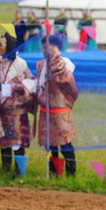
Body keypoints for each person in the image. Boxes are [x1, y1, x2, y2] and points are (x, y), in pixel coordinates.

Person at [0, 34, 37, 177]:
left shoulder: (21, 63)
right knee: (4, 140)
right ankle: (6, 171)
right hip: (2, 108)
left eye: (1, 44)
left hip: (17, 109)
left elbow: (31, 80)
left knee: (17, 140)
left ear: (9, 47)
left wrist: (18, 86)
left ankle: (19, 172)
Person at [36, 32, 78, 176]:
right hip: (46, 109)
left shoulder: (64, 63)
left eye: (46, 47)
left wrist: (54, 56)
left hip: (61, 110)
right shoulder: (40, 64)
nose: (43, 51)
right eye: (43, 48)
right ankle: (54, 173)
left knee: (65, 144)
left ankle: (71, 174)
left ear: (55, 48)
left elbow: (61, 77)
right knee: (51, 145)